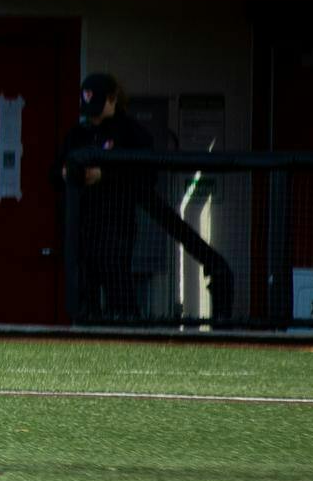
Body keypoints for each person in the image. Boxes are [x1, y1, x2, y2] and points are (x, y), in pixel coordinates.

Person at [57, 73, 233, 323]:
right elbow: (54, 171)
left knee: (117, 286)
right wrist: (67, 173)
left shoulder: (131, 132)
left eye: (98, 107)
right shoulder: (77, 134)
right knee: (84, 292)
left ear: (112, 99)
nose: (93, 115)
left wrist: (104, 175)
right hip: (82, 227)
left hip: (115, 225)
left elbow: (146, 173)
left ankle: (128, 335)